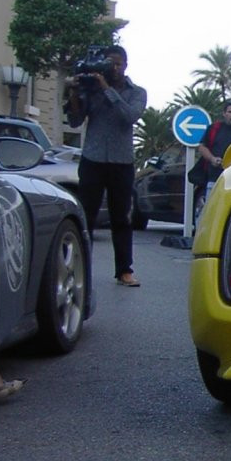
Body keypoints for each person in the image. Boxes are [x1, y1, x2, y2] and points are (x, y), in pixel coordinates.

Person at [64, 44, 146, 287]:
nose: (114, 68)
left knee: (121, 218)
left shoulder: (137, 92)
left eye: (118, 63)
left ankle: (124, 271)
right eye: (109, 63)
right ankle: (81, 269)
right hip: (93, 159)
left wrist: (106, 89)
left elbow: (129, 116)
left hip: (122, 162)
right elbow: (76, 120)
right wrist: (74, 94)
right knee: (86, 216)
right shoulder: (91, 88)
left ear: (125, 65)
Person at [197, 100, 231, 199]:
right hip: (215, 179)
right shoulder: (214, 129)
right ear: (224, 113)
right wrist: (212, 159)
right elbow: (202, 147)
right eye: (230, 112)